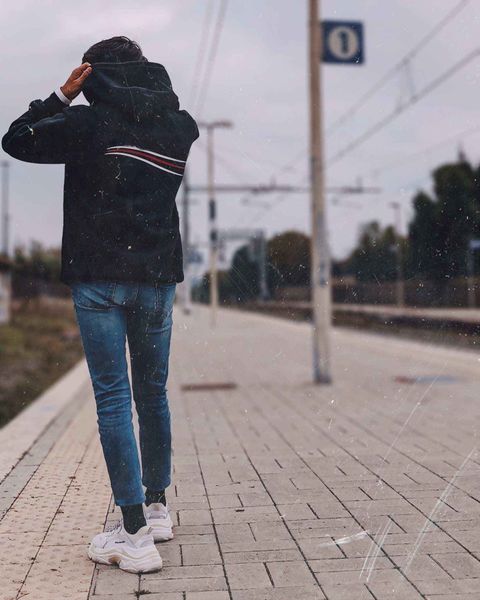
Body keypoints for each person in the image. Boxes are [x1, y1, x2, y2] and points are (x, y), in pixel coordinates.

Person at [2, 36, 199, 573]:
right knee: (152, 394)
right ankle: (156, 508)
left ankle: (133, 535)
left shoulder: (86, 123)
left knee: (113, 399)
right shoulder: (179, 126)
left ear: (95, 75)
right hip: (157, 278)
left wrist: (62, 96)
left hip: (98, 280)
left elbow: (15, 139)